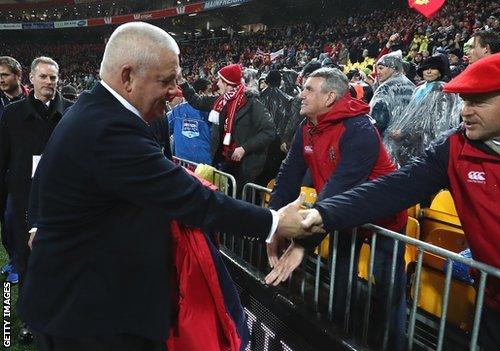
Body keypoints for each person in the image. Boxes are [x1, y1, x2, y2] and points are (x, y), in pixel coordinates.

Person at [279, 53, 500, 350]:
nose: (465, 112)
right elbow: (395, 187)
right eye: (464, 101)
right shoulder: (456, 147)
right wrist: (321, 215)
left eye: (478, 101)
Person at [20, 22, 303, 351]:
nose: (175, 91)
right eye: (166, 81)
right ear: (128, 77)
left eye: (177, 80)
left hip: (96, 304)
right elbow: (192, 199)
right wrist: (275, 223)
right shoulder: (107, 129)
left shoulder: (96, 112)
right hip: (87, 318)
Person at [265, 67, 408, 350]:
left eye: (308, 89)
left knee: (388, 293)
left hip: (384, 222)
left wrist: (302, 244)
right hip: (344, 215)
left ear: (330, 97)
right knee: (340, 285)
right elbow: (288, 176)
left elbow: (339, 187)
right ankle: (339, 341)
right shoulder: (306, 128)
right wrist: (272, 223)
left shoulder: (360, 130)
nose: (301, 94)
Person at [0, 56, 73, 343]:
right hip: (22, 201)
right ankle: (29, 319)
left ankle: (58, 314)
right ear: (31, 78)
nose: (49, 82)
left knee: (60, 260)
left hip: (60, 201)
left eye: (53, 77)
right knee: (26, 261)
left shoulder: (69, 112)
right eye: (43, 77)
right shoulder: (13, 114)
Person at [179, 64, 275, 192]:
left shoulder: (253, 104)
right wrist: (182, 83)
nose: (217, 84)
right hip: (224, 161)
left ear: (228, 84)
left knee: (241, 202)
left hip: (245, 166)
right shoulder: (221, 101)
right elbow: (197, 101)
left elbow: (269, 132)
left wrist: (244, 148)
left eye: (220, 80)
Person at [384, 55, 462, 167]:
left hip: (429, 139)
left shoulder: (442, 89)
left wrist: (405, 132)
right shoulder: (419, 89)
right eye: (426, 69)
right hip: (414, 139)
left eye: (433, 69)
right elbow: (410, 114)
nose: (429, 71)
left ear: (440, 72)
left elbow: (433, 120)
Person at [0, 56, 28, 284]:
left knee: (15, 218)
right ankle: (12, 258)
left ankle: (20, 261)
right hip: (2, 169)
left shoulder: (32, 100)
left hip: (21, 171)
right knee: (5, 220)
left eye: (4, 75)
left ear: (17, 76)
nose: (0, 79)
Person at [257, 70, 295, 186]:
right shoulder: (288, 99)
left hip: (259, 141)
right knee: (271, 175)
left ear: (267, 81)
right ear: (279, 82)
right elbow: (289, 123)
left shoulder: (257, 97)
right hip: (277, 144)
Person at [167, 78, 213, 165]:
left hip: (183, 164)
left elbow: (163, 133)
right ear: (200, 93)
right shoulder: (176, 111)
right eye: (209, 91)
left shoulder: (177, 111)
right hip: (204, 166)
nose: (211, 95)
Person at [369, 50, 416, 135]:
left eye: (381, 68)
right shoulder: (411, 85)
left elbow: (378, 121)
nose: (378, 73)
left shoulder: (385, 88)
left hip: (388, 139)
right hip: (407, 138)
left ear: (392, 67)